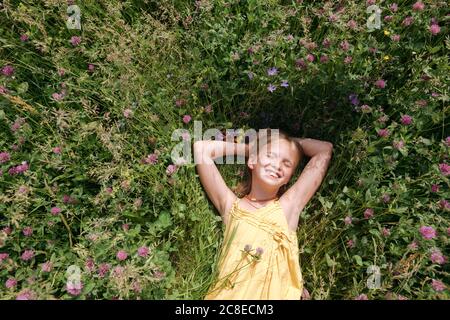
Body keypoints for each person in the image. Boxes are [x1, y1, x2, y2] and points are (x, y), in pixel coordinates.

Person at [193, 128, 333, 299]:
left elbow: (324, 150)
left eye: (287, 163)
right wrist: (254, 148)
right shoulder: (231, 208)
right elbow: (201, 149)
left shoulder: (288, 207)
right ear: (251, 161)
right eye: (270, 155)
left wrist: (288, 143)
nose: (277, 165)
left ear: (289, 178)